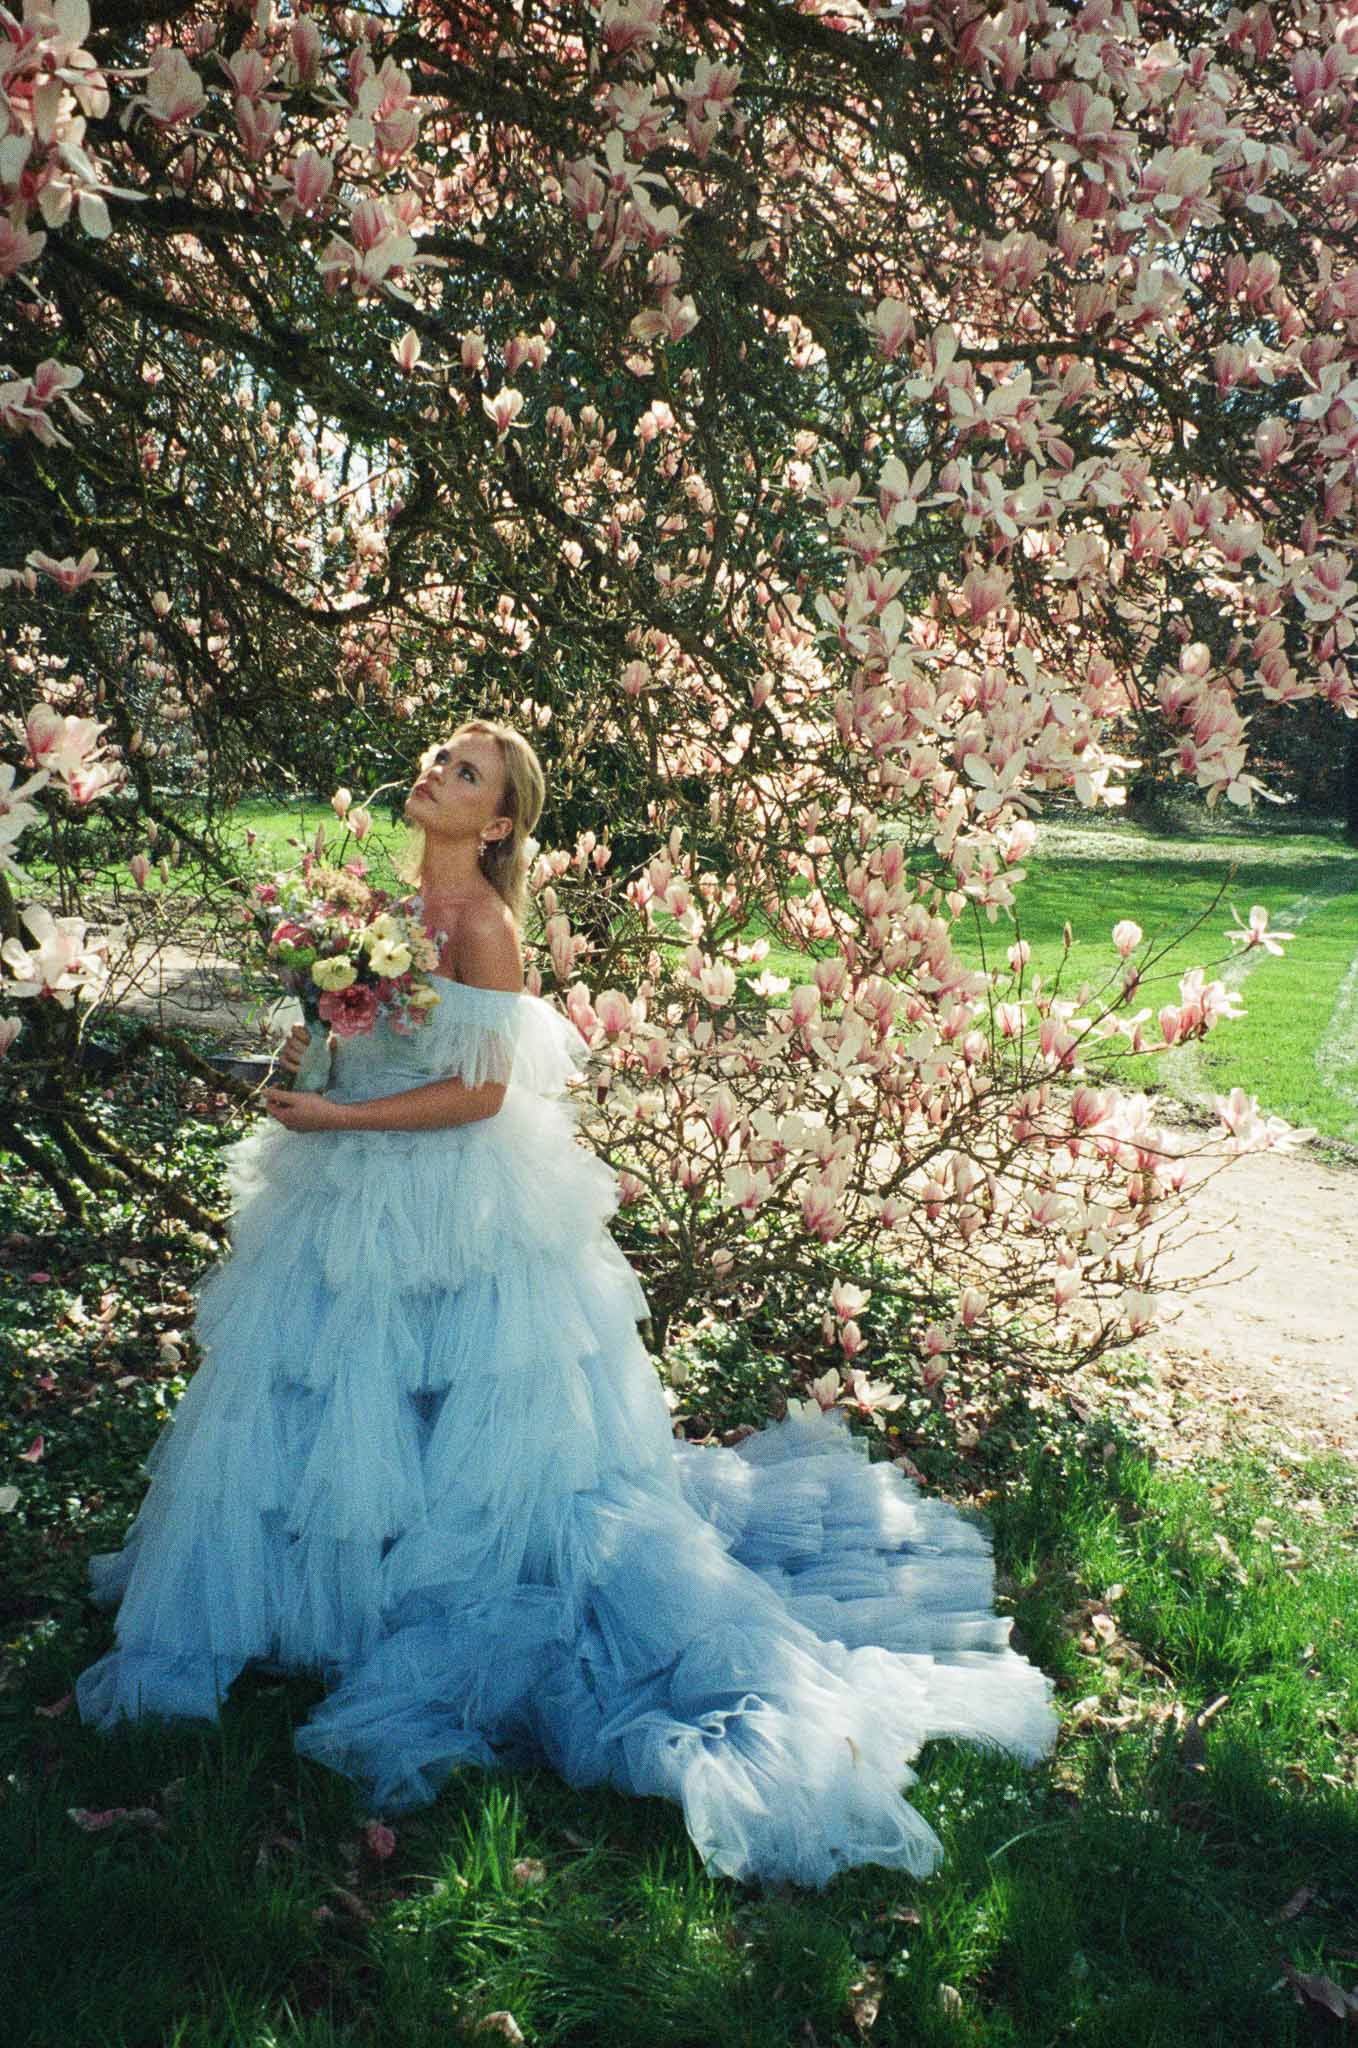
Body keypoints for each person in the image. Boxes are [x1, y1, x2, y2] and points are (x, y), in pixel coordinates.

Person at [75, 718, 1057, 1887]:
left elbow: (479, 1094)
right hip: (340, 1182)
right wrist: (300, 1067)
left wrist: (340, 1118)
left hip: (447, 1190)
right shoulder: (371, 910)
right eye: (439, 756)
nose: (435, 772)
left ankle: (438, 1600)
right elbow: (332, 1024)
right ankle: (329, 1590)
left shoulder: (484, 929)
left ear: (496, 823)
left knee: (462, 1403)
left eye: (467, 773)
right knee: (333, 1391)